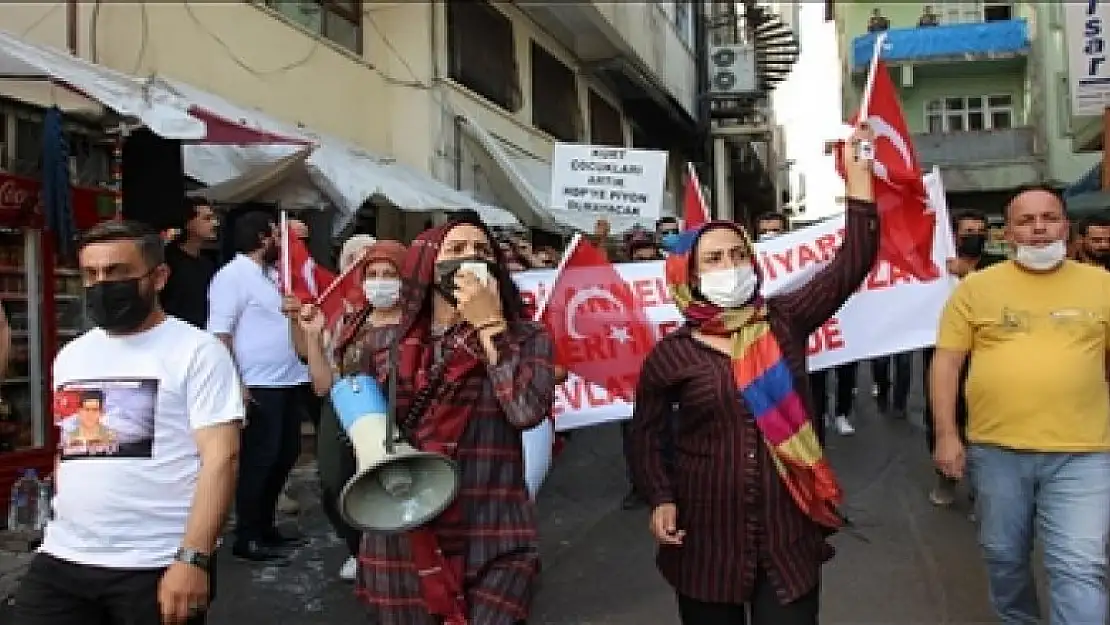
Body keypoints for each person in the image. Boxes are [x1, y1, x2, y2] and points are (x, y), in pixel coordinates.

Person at [628, 130, 878, 625]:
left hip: (787, 533)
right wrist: (660, 498)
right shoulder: (671, 356)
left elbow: (852, 263)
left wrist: (860, 177)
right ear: (689, 277)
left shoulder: (783, 320)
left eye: (738, 254)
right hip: (706, 540)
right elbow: (646, 435)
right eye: (714, 259)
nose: (731, 266)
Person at [14, 220, 243, 625]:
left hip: (154, 563)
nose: (102, 284)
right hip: (64, 557)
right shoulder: (71, 356)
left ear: (159, 277)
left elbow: (221, 459)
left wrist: (193, 558)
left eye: (117, 272)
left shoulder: (197, 352)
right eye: (91, 274)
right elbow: (69, 449)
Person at [355, 216, 555, 625]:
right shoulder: (382, 344)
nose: (471, 259)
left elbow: (526, 410)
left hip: (493, 531)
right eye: (457, 250)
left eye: (482, 252)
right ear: (427, 265)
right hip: (405, 533)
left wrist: (490, 326)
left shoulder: (528, 338)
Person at [932, 188, 1110, 625]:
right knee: (1005, 559)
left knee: (1081, 567)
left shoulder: (1103, 286)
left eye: (1049, 218)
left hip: (1084, 455)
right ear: (1007, 233)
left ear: (1066, 227)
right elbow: (947, 362)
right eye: (1026, 221)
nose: (1038, 229)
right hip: (997, 453)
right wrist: (946, 434)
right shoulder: (975, 290)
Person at [292, 238, 407, 582]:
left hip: (395, 417)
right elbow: (324, 385)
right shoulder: (350, 322)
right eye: (373, 273)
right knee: (336, 486)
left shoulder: (417, 323)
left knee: (392, 487)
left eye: (390, 273)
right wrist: (313, 337)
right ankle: (360, 550)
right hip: (345, 414)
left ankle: (396, 561)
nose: (380, 280)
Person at [207, 211, 308, 564]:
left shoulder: (272, 276)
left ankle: (266, 527)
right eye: (279, 237)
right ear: (265, 237)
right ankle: (248, 535)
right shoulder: (232, 277)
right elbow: (219, 334)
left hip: (288, 378)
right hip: (258, 383)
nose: (283, 245)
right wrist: (235, 382)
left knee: (285, 454)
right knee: (259, 461)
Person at [923, 208, 1004, 507]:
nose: (975, 237)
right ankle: (946, 474)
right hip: (942, 351)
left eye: (980, 232)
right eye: (968, 232)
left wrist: (968, 274)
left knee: (983, 417)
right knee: (943, 412)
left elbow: (1003, 297)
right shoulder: (935, 267)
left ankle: (980, 486)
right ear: (953, 235)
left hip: (987, 354)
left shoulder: (998, 266)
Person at [160, 197, 219, 329]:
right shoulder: (167, 262)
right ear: (188, 223)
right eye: (207, 219)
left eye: (213, 218)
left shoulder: (208, 264)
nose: (215, 223)